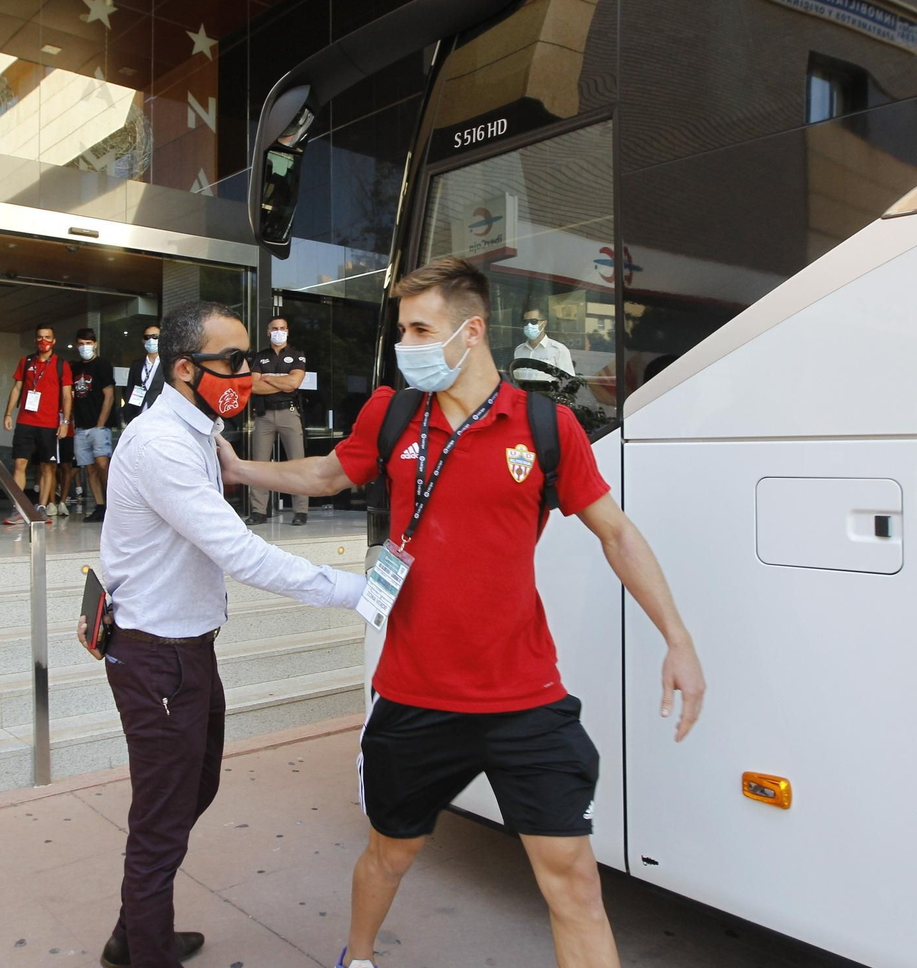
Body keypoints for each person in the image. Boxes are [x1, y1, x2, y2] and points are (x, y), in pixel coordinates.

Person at [216, 258, 707, 968]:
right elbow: (327, 473)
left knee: (572, 880)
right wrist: (241, 470)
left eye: (421, 328)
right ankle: (358, 958)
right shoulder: (391, 412)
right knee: (390, 853)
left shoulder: (545, 424)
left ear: (471, 331)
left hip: (525, 697)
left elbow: (617, 533)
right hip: (415, 695)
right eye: (403, 328)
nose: (405, 343)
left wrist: (678, 637)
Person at [94, 299, 366, 968]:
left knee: (196, 787)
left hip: (188, 649)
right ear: (184, 368)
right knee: (162, 817)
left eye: (249, 358)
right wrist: (356, 592)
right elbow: (241, 553)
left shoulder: (200, 434)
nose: (249, 372)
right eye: (235, 361)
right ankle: (145, 949)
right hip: (157, 657)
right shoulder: (163, 443)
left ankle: (135, 929)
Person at [2, 327, 72, 525]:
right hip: (25, 420)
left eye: (48, 337)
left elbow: (67, 395)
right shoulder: (26, 362)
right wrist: (7, 413)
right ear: (35, 340)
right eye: (40, 337)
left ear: (54, 340)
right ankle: (18, 507)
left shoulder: (61, 365)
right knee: (19, 464)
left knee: (48, 466)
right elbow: (16, 388)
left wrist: (65, 422)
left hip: (49, 423)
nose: (44, 341)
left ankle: (41, 508)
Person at [246, 315, 308, 526]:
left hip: (288, 413)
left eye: (282, 327)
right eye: (274, 328)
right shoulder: (259, 357)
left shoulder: (297, 355)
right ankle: (258, 511)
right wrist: (283, 381)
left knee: (297, 464)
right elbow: (253, 386)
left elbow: (294, 383)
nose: (278, 331)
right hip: (264, 415)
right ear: (268, 331)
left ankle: (300, 510)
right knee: (259, 465)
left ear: (288, 331)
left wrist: (269, 378)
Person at [67, 327, 114, 522]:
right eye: (81, 344)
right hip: (81, 427)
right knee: (89, 469)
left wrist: (100, 424)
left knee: (103, 464)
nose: (85, 347)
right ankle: (99, 506)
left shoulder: (102, 365)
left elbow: (109, 395)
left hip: (99, 427)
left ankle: (113, 504)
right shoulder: (75, 369)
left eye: (88, 343)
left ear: (95, 344)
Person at [513, 304, 575, 386]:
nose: (529, 325)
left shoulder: (558, 350)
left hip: (546, 397)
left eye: (533, 321)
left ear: (544, 323)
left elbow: (568, 382)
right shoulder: (519, 351)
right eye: (526, 322)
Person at [119, 324, 162, 425]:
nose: (151, 340)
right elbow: (130, 389)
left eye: (155, 337)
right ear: (143, 340)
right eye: (147, 337)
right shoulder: (136, 364)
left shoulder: (169, 364)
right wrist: (128, 415)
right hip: (138, 416)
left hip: (161, 418)